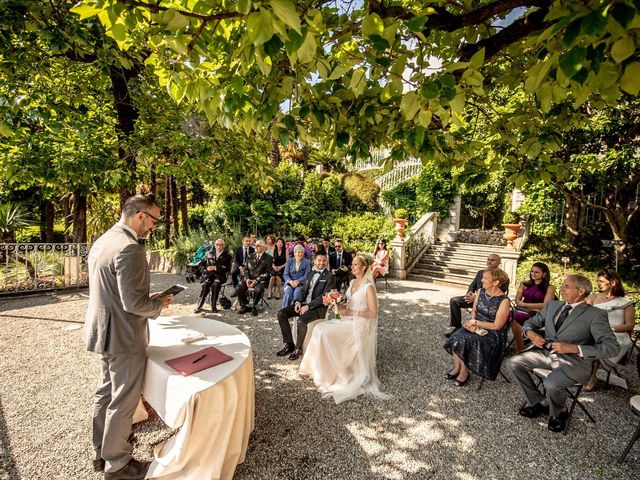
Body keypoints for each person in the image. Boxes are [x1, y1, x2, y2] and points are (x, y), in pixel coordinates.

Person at [84, 195, 173, 479]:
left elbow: (115, 291)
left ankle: (102, 451)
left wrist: (147, 297)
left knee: (106, 393)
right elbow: (133, 304)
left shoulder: (103, 241)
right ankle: (119, 464)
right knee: (124, 400)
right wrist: (158, 305)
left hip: (104, 330)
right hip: (124, 336)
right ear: (140, 215)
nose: (154, 227)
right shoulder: (130, 248)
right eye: (154, 220)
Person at [507, 274, 619, 433]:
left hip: (574, 362)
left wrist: (574, 348)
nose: (561, 289)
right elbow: (530, 323)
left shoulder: (595, 314)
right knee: (513, 363)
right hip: (546, 354)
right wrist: (531, 334)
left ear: (580, 291)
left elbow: (612, 347)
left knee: (551, 383)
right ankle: (540, 402)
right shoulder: (552, 305)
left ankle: (560, 412)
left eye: (566, 286)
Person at [300, 254, 390, 404]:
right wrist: (338, 305)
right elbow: (350, 303)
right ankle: (316, 369)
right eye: (352, 264)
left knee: (325, 332)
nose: (352, 267)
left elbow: (373, 313)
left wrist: (351, 313)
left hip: (360, 323)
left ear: (363, 268)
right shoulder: (353, 281)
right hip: (348, 318)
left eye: (355, 265)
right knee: (319, 328)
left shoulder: (369, 287)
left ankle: (330, 373)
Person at [443, 268, 511, 386]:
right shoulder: (480, 291)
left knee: (465, 340)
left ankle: (464, 373)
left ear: (495, 282)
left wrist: (476, 324)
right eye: (482, 277)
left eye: (485, 278)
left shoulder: (504, 301)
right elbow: (474, 310)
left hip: (493, 334)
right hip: (477, 324)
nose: (481, 280)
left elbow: (497, 325)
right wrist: (472, 322)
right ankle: (457, 367)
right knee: (455, 336)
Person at [276, 251, 335, 360]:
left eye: (324, 261)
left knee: (301, 321)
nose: (321, 263)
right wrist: (298, 302)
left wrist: (308, 306)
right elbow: (302, 291)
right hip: (302, 304)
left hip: (317, 308)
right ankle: (289, 344)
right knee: (281, 314)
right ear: (314, 261)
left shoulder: (329, 276)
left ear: (326, 262)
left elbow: (324, 296)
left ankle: (298, 349)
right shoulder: (310, 273)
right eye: (319, 260)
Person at [584, 270, 635, 390]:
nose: (598, 284)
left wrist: (609, 329)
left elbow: (630, 325)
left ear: (612, 282)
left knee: (603, 341)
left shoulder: (625, 302)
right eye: (597, 281)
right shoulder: (592, 297)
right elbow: (584, 317)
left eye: (601, 281)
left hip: (616, 332)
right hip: (594, 329)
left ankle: (593, 375)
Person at [446, 253, 508, 337]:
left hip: (490, 304)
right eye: (488, 259)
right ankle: (457, 327)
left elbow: (498, 294)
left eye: (492, 260)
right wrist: (469, 294)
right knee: (454, 301)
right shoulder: (480, 273)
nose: (489, 261)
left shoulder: (502, 277)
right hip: (476, 299)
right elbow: (472, 285)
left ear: (499, 262)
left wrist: (476, 297)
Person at [511, 262, 556, 352]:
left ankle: (520, 348)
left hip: (537, 314)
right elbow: (517, 301)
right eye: (532, 271)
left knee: (511, 317)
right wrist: (522, 304)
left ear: (544, 274)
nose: (533, 274)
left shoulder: (549, 288)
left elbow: (546, 305)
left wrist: (524, 304)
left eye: (537, 272)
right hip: (521, 310)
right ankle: (519, 343)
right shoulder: (525, 284)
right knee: (507, 316)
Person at [194, 238, 232, 313]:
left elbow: (227, 268)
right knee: (205, 285)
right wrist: (205, 270)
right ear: (215, 245)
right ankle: (199, 305)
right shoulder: (209, 253)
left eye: (220, 245)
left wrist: (215, 267)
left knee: (215, 285)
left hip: (220, 276)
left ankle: (213, 306)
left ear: (223, 246)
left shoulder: (227, 256)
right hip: (209, 275)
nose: (218, 246)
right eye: (217, 244)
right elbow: (201, 264)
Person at [235, 240, 272, 316]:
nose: (255, 247)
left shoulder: (269, 258)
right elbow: (246, 269)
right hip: (249, 279)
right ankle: (244, 305)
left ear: (263, 248)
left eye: (258, 245)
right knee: (238, 287)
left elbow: (267, 273)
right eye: (255, 245)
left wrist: (256, 281)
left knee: (258, 289)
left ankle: (254, 306)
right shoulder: (250, 256)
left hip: (261, 280)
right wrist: (247, 279)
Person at [282, 244, 311, 308]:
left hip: (300, 283)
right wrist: (290, 281)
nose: (300, 254)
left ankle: (294, 311)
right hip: (289, 283)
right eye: (298, 252)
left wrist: (298, 281)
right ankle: (285, 310)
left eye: (302, 252)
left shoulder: (307, 262)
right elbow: (285, 274)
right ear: (294, 253)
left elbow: (307, 275)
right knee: (288, 294)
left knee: (297, 294)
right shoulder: (290, 261)